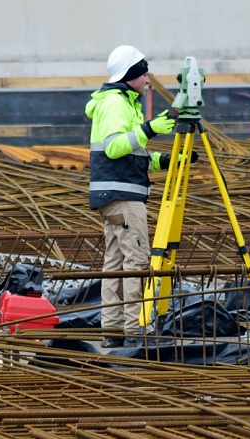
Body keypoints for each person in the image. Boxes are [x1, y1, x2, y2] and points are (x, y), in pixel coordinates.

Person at [85, 45, 176, 348]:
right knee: (136, 264)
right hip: (123, 198)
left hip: (114, 194)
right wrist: (150, 128)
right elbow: (114, 147)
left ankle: (112, 330)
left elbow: (129, 154)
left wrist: (160, 161)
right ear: (130, 75)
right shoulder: (115, 103)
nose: (148, 76)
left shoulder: (123, 102)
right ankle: (136, 332)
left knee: (115, 264)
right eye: (143, 71)